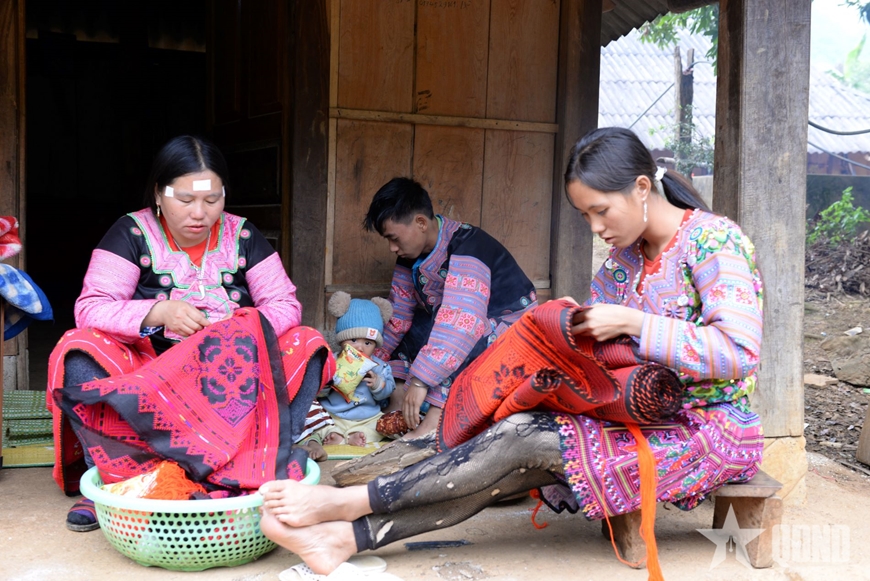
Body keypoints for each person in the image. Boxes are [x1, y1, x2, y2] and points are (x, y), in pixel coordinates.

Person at [257, 126, 765, 575]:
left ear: (640, 188)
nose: (595, 227)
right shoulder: (621, 262)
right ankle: (344, 538)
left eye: (600, 211)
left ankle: (343, 505)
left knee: (523, 439)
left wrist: (635, 323)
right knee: (509, 441)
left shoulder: (713, 241)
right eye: (585, 214)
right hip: (630, 411)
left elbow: (739, 351)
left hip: (708, 427)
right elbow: (597, 347)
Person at [46, 135, 333, 532]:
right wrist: (157, 311)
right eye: (185, 200)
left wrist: (238, 328)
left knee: (307, 343)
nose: (200, 213)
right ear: (159, 195)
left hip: (230, 374)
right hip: (151, 371)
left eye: (212, 199)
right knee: (78, 348)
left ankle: (260, 464)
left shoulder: (244, 236)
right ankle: (118, 483)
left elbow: (285, 304)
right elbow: (90, 307)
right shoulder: (131, 233)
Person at [364, 177, 538, 438]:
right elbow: (398, 315)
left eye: (394, 238)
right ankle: (399, 403)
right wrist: (367, 361)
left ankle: (435, 418)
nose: (392, 248)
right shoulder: (408, 254)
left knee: (455, 335)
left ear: (421, 223)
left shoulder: (470, 247)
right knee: (409, 326)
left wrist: (422, 379)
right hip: (454, 322)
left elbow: (462, 323)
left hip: (508, 327)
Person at [315, 292, 396, 447]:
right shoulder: (331, 361)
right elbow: (316, 391)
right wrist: (326, 382)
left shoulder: (379, 367)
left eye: (368, 343)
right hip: (333, 415)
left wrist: (378, 384)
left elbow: (388, 392)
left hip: (367, 417)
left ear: (375, 345)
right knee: (314, 420)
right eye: (353, 340)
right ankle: (334, 434)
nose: (360, 347)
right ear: (341, 340)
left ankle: (358, 435)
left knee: (381, 426)